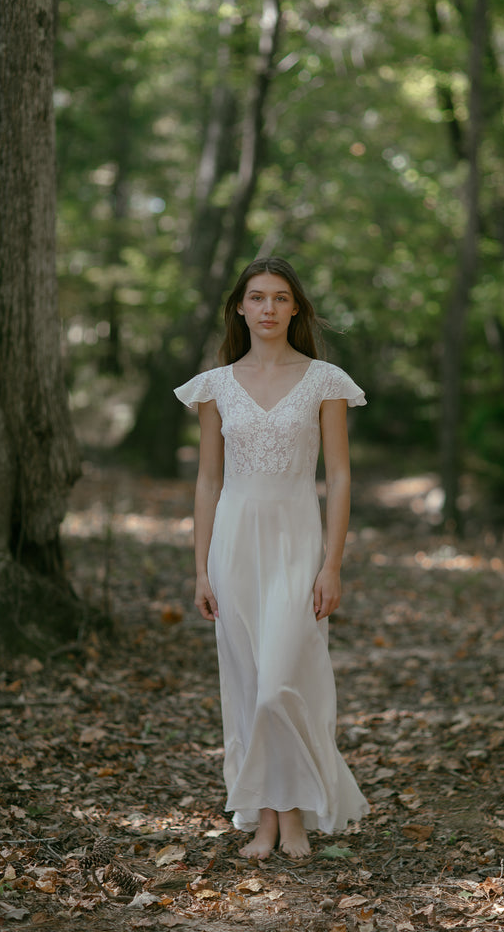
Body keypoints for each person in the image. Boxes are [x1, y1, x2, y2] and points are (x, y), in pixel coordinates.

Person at [174, 256, 369, 860]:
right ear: (240, 306)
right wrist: (201, 567)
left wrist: (331, 564)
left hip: (295, 541)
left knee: (282, 683)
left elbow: (338, 477)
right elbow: (208, 481)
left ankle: (295, 809)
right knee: (249, 684)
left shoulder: (324, 380)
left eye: (280, 298)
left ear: (295, 309)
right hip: (234, 543)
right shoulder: (216, 385)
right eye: (256, 297)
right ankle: (271, 817)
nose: (267, 308)